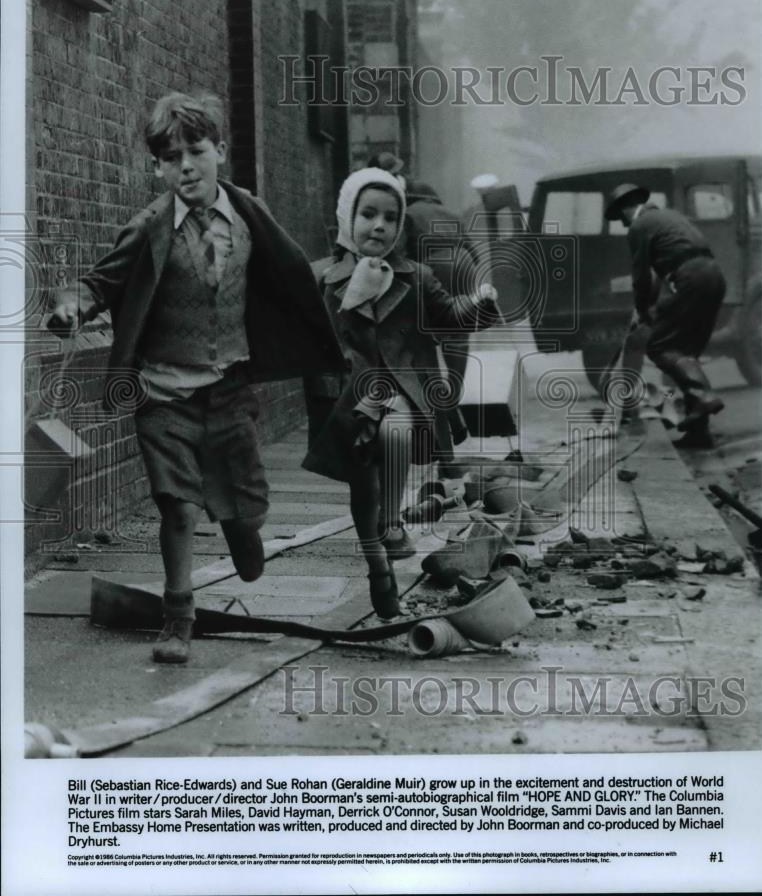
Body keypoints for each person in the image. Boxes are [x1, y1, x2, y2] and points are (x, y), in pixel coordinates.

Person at [47, 92, 343, 663]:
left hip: (229, 386)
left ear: (220, 153)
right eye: (171, 157)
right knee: (177, 506)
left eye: (196, 151)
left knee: (246, 507)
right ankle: (176, 619)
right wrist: (69, 308)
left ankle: (239, 523)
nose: (186, 166)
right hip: (161, 393)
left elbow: (289, 276)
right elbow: (96, 286)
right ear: (157, 167)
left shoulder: (250, 215)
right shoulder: (148, 229)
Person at [302, 168, 500, 619]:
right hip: (346, 399)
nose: (379, 226)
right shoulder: (323, 278)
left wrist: (480, 302)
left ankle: (391, 524)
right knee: (362, 487)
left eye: (390, 218)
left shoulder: (416, 276)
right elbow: (306, 338)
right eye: (368, 214)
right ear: (346, 216)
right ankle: (378, 567)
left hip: (399, 391)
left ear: (400, 225)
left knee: (394, 432)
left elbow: (449, 317)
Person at [604, 183, 727, 449]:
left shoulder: (640, 226)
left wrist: (640, 308)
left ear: (626, 209)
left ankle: (704, 396)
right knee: (686, 352)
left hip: (690, 278)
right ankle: (699, 433)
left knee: (661, 347)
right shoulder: (670, 217)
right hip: (713, 276)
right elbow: (660, 274)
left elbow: (641, 276)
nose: (623, 224)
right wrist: (648, 310)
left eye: (620, 218)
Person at [404, 180, 482, 469]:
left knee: (423, 342)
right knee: (457, 337)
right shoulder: (451, 214)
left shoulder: (408, 213)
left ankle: (440, 407)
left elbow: (403, 253)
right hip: (463, 267)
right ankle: (454, 394)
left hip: (430, 269)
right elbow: (473, 251)